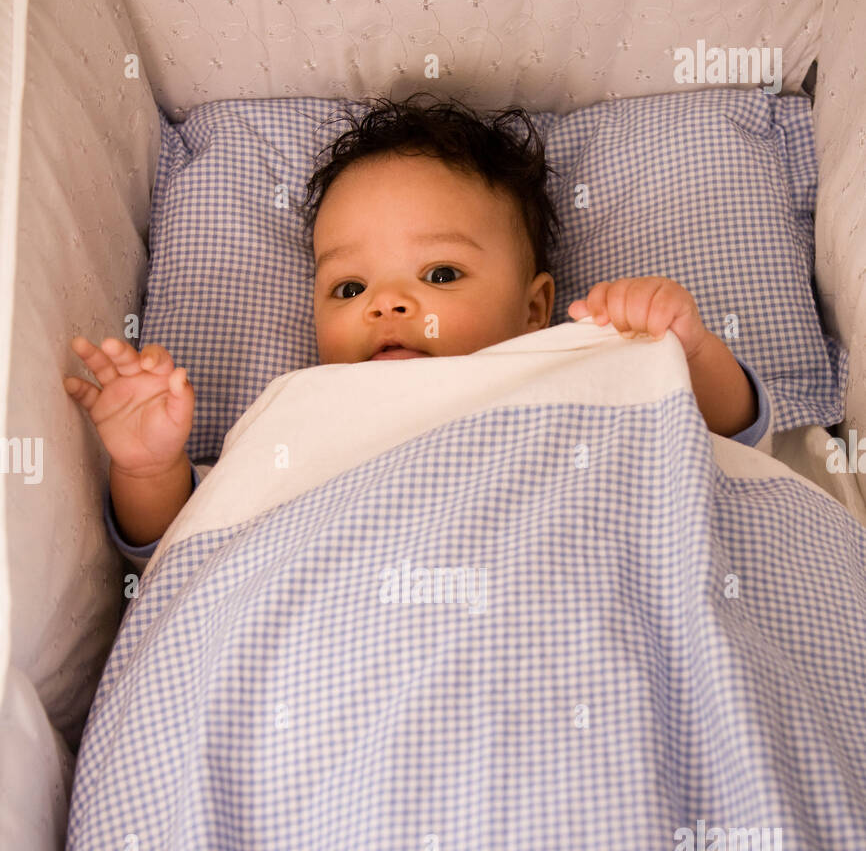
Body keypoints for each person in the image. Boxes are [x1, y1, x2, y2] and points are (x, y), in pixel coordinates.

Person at [62, 96, 770, 564]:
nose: (387, 305)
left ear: (533, 309)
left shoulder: (581, 367)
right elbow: (185, 546)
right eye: (349, 287)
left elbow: (727, 441)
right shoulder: (300, 421)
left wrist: (690, 353)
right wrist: (149, 467)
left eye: (438, 276)